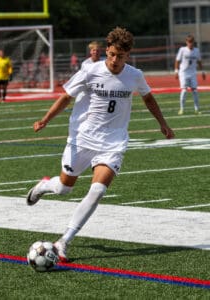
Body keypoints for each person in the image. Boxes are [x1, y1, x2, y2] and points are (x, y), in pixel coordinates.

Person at [26, 27, 174, 263]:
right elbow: (66, 97)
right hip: (82, 138)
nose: (115, 61)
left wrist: (163, 124)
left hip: (113, 142)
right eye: (112, 54)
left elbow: (148, 98)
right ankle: (45, 186)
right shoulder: (90, 71)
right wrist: (45, 119)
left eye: (121, 56)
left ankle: (64, 241)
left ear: (128, 55)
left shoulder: (134, 75)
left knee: (97, 190)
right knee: (65, 188)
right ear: (107, 50)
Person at [174, 34, 206, 115]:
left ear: (193, 42)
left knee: (195, 91)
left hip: (192, 73)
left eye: (191, 42)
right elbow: (177, 60)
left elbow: (199, 61)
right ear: (186, 42)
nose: (190, 43)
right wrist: (176, 71)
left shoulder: (196, 50)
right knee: (184, 90)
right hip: (183, 73)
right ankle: (182, 109)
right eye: (189, 42)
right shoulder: (182, 50)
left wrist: (203, 72)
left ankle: (197, 109)